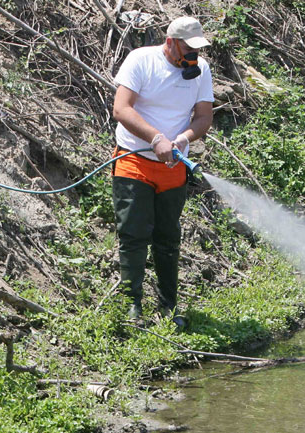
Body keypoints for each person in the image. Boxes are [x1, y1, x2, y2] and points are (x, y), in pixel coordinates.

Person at [111, 16, 214, 323]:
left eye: (197, 49)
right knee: (133, 233)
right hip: (134, 160)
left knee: (168, 237)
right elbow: (121, 108)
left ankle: (169, 306)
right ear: (170, 42)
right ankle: (132, 305)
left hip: (173, 167)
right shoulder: (141, 60)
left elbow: (203, 117)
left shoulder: (201, 70)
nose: (194, 55)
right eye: (188, 48)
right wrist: (155, 138)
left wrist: (183, 138)